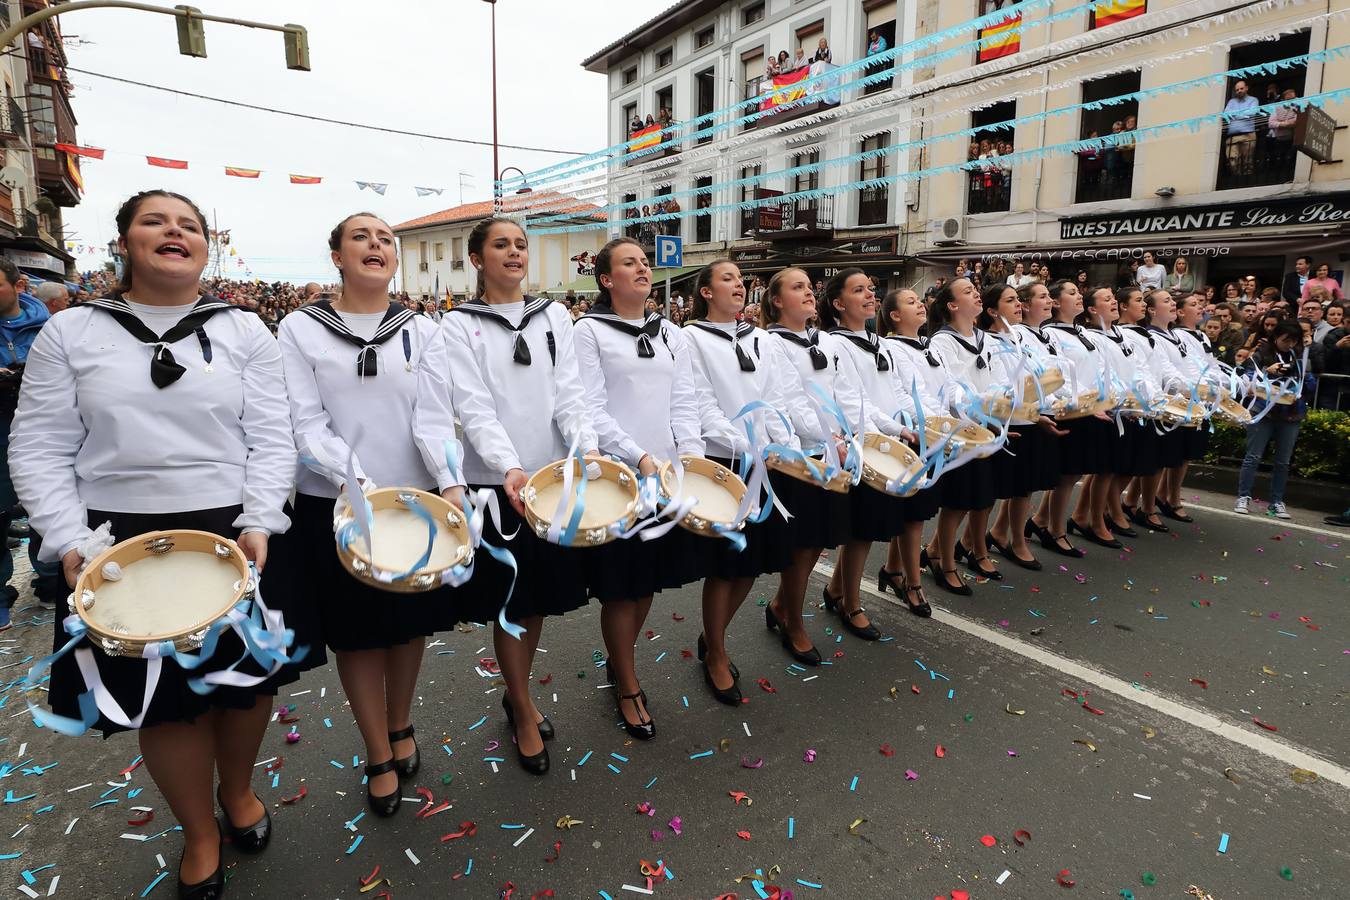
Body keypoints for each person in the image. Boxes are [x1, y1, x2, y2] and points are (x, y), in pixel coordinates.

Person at [9, 190, 311, 897]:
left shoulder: (244, 331)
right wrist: (70, 540)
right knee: (163, 701)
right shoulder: (70, 333)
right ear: (124, 242)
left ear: (206, 246)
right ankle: (198, 832)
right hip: (116, 542)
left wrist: (262, 517)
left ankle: (237, 793)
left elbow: (273, 436)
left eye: (190, 225)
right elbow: (39, 446)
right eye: (155, 221)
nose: (174, 232)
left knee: (242, 688)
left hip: (235, 532)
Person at [271, 212, 468, 817]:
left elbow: (435, 417)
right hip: (337, 505)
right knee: (357, 634)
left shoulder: (423, 330)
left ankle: (402, 721)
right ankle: (377, 748)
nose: (376, 246)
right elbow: (304, 424)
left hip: (413, 503)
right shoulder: (301, 330)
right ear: (337, 256)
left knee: (408, 625)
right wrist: (359, 485)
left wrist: (452, 482)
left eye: (385, 239)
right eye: (361, 237)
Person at [441, 217, 597, 775]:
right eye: (501, 244)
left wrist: (585, 448)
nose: (514, 252)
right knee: (512, 602)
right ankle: (523, 708)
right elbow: (473, 405)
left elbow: (570, 393)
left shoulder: (554, 315)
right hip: (497, 485)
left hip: (552, 480)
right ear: (477, 259)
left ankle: (518, 691)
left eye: (521, 245)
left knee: (537, 600)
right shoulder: (457, 326)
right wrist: (509, 466)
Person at [572, 237, 706, 738]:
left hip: (665, 476)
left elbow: (685, 402)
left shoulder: (671, 332)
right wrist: (639, 456)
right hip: (621, 477)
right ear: (606, 279)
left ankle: (619, 660)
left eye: (645, 262)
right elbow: (590, 406)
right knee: (620, 586)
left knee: (646, 579)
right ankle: (627, 683)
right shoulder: (588, 331)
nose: (643, 269)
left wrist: (687, 459)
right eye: (630, 263)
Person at [682, 259, 795, 703]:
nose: (739, 285)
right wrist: (746, 443)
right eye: (727, 278)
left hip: (766, 462)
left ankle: (713, 637)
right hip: (725, 461)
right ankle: (717, 652)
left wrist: (781, 442)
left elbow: (777, 397)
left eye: (740, 279)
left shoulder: (762, 338)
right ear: (706, 292)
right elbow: (702, 404)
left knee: (752, 563)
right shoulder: (691, 338)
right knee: (725, 565)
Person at [762, 268, 886, 663]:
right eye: (797, 288)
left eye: (808, 286)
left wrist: (853, 435)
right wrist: (828, 440)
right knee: (803, 543)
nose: (808, 292)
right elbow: (789, 399)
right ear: (778, 301)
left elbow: (846, 395)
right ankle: (793, 621)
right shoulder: (772, 342)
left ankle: (782, 605)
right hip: (804, 454)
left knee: (817, 542)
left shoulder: (827, 341)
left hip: (836, 452)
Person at [817, 269, 923, 622]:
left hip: (888, 443)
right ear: (837, 303)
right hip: (861, 445)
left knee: (869, 529)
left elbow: (896, 392)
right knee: (861, 531)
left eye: (870, 288)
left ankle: (836, 590)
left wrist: (916, 424)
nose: (869, 294)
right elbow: (853, 401)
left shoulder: (879, 343)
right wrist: (890, 429)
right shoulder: (837, 344)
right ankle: (851, 603)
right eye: (858, 290)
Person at [981, 282, 1067, 571]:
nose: (1018, 304)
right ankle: (975, 545)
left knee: (1023, 489)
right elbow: (1002, 386)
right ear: (992, 311)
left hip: (1029, 418)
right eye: (1010, 300)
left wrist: (1048, 404)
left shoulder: (1017, 338)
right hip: (1007, 423)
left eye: (1018, 299)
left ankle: (1009, 538)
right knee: (993, 493)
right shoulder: (989, 342)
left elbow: (1035, 377)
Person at [925, 278, 1003, 591]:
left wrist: (1000, 401)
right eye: (968, 292)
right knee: (956, 502)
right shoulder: (943, 342)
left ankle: (935, 552)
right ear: (953, 306)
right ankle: (944, 562)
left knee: (981, 496)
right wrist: (978, 408)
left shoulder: (987, 339)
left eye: (976, 290)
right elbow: (949, 387)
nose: (976, 294)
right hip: (961, 432)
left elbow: (997, 378)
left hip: (988, 427)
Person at [874, 288, 946, 612]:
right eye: (911, 302)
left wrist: (952, 418)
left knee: (913, 511)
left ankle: (892, 570)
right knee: (912, 514)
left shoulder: (927, 346)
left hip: (928, 432)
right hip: (907, 435)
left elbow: (943, 388)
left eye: (920, 301)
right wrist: (930, 422)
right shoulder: (891, 348)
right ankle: (913, 584)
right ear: (894, 316)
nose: (920, 305)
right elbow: (905, 394)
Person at [1030, 279, 1110, 558]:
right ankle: (1055, 530)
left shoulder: (1080, 332)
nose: (1079, 297)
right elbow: (1056, 376)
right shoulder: (1052, 334)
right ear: (1056, 301)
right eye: (1072, 293)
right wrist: (1079, 402)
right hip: (1069, 409)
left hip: (1088, 407)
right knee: (1065, 475)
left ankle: (1041, 521)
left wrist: (1099, 398)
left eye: (1079, 292)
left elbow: (1095, 369)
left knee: (1072, 472)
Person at [0, 259, 49, 626]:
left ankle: (49, 579)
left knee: (44, 505)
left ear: (18, 287)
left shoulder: (50, 329)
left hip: (42, 433)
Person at [1235, 319, 1315, 519]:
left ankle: (1277, 501)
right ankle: (1243, 496)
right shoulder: (1261, 354)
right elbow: (1245, 377)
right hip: (1264, 410)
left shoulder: (1299, 357)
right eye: (1285, 340)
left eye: (1293, 341)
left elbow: (1310, 385)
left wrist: (1303, 378)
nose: (1289, 344)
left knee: (1283, 461)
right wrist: (1266, 372)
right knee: (1253, 456)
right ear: (1276, 337)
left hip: (1291, 412)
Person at [1222, 80, 1260, 176]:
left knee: (1247, 161)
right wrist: (1243, 114)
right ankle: (1237, 177)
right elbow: (1226, 114)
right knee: (1232, 159)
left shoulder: (1253, 100)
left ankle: (1246, 180)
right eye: (1237, 89)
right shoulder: (1232, 101)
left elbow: (1252, 113)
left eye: (1241, 88)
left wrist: (1235, 115)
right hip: (1232, 136)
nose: (1239, 91)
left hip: (1248, 135)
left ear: (1246, 88)